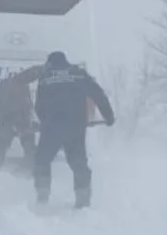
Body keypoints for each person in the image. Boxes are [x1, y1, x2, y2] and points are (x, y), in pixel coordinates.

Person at [31, 51, 115, 208]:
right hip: (75, 126)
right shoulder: (79, 74)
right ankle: (82, 199)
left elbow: (39, 105)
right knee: (78, 162)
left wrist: (45, 121)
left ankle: (42, 196)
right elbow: (98, 94)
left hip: (51, 127)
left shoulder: (45, 77)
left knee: (42, 160)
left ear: (50, 63)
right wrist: (108, 116)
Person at [0, 65, 41, 172]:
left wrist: (2, 120)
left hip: (8, 121)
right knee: (29, 147)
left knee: (0, 146)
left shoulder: (4, 87)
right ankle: (29, 169)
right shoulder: (23, 88)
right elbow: (29, 106)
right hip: (21, 121)